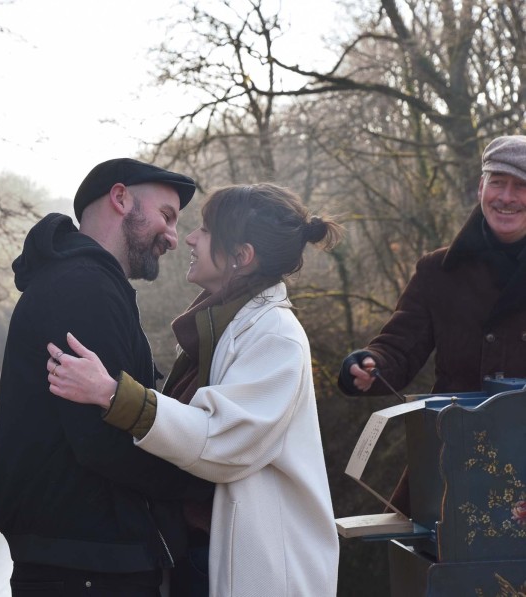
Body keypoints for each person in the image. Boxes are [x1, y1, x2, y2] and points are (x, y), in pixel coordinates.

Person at [46, 183, 342, 597]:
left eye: (205, 230)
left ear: (241, 256)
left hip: (259, 570)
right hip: (205, 555)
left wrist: (113, 394)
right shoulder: (229, 325)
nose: (188, 237)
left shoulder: (276, 336)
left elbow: (221, 438)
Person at [0, 158, 215, 597]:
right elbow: (103, 440)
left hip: (87, 560)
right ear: (121, 198)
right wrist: (204, 475)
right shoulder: (82, 288)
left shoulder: (87, 282)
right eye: (166, 215)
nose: (173, 236)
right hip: (87, 568)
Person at [338, 134, 526, 398]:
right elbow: (399, 349)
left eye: (521, 185)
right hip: (457, 424)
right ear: (481, 188)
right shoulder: (438, 270)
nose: (506, 197)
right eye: (497, 182)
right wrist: (370, 364)